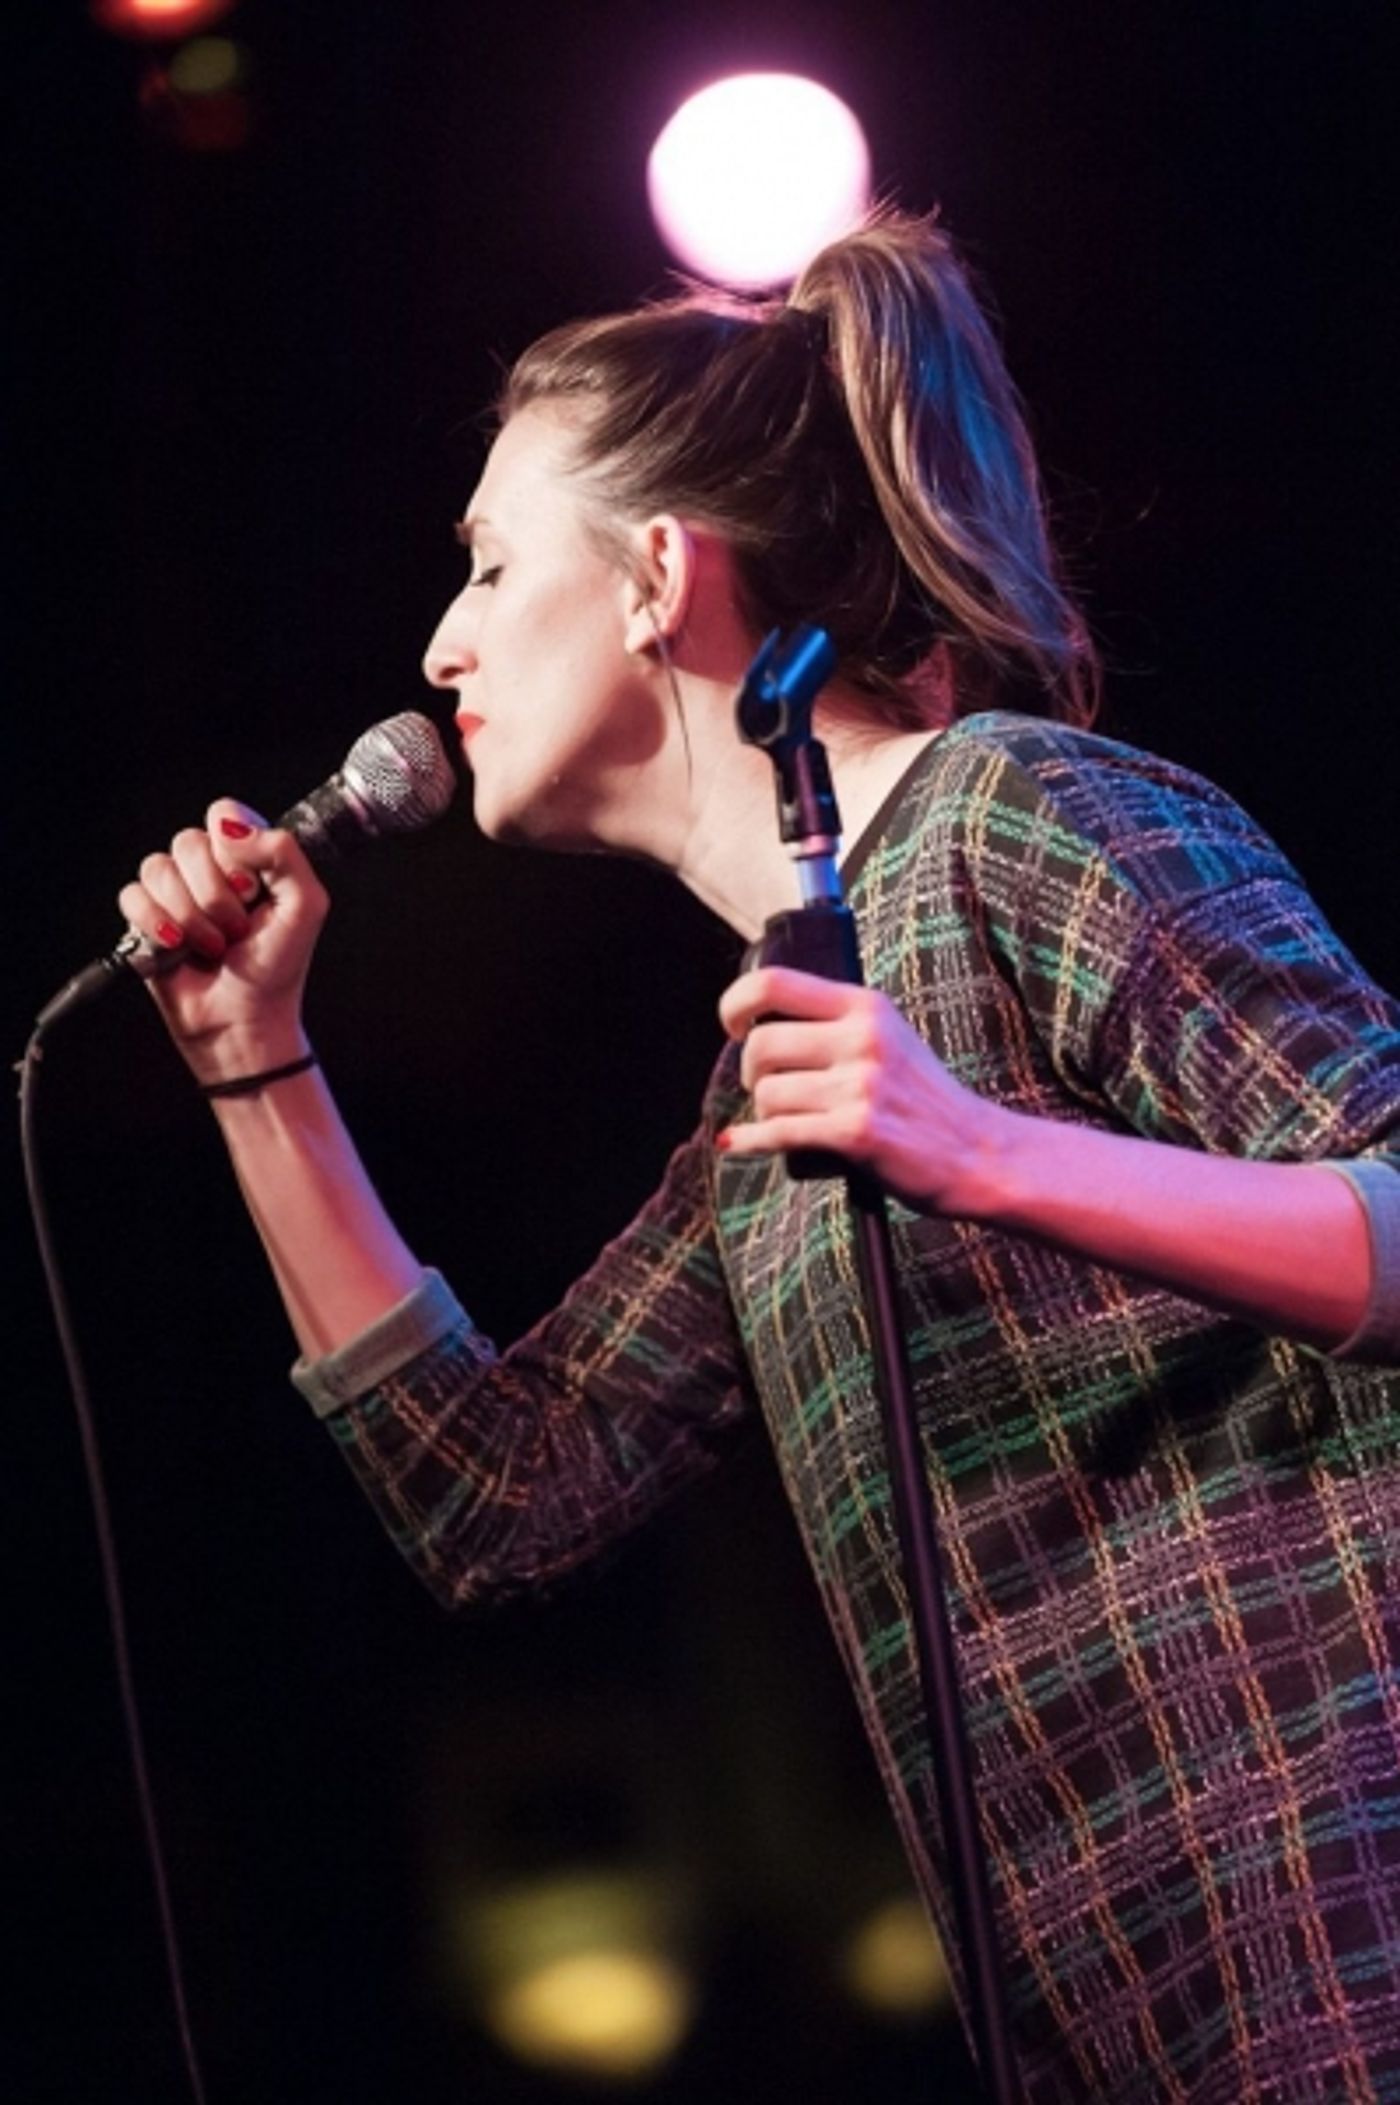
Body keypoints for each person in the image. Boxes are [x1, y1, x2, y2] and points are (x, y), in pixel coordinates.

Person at [119, 208, 1400, 2101]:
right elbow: (497, 1496)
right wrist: (259, 1070)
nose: (441, 639)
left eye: (486, 562)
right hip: (1142, 2021)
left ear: (655, 576)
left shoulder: (1015, 810)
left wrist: (981, 1150)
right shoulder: (774, 1094)